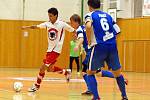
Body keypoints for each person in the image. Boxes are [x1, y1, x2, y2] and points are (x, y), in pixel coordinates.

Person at [70, 14, 128, 98]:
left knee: (87, 72)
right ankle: (121, 84)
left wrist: (77, 45)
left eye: (71, 22)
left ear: (76, 22)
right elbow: (117, 31)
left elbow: (82, 38)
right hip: (107, 47)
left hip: (93, 51)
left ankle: (92, 92)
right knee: (98, 73)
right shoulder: (84, 27)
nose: (71, 24)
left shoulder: (81, 27)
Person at [22, 7, 76, 92]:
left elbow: (73, 30)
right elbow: (36, 26)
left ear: (56, 16)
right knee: (50, 69)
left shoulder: (62, 24)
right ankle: (66, 72)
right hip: (49, 50)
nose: (49, 18)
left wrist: (77, 38)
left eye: (51, 16)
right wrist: (27, 27)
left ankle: (36, 85)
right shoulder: (47, 24)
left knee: (42, 68)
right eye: (48, 16)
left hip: (56, 50)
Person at [85, 0, 128, 100]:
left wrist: (89, 41)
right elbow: (117, 30)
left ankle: (96, 97)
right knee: (117, 73)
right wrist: (110, 38)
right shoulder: (108, 15)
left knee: (90, 72)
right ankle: (124, 96)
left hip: (99, 46)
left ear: (89, 6)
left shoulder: (90, 15)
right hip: (112, 45)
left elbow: (88, 26)